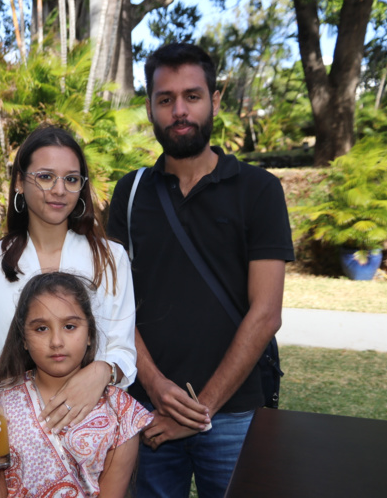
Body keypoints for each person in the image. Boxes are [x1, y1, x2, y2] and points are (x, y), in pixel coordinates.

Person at [107, 43, 295, 498]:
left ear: (214, 99)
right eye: (165, 99)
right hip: (147, 411)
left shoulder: (259, 190)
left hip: (234, 415)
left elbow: (267, 312)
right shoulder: (130, 194)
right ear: (150, 107)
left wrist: (197, 409)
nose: (179, 110)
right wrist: (154, 385)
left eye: (192, 96)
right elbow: (113, 305)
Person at [0, 125, 137, 454]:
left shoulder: (111, 258)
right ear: (20, 184)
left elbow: (122, 348)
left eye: (71, 179)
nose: (59, 190)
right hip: (12, 433)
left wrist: (100, 371)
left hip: (94, 433)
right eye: (45, 176)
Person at [0, 272, 153, 497]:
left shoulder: (122, 413)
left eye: (69, 326)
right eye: (41, 329)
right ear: (24, 340)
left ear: (89, 335)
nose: (56, 342)